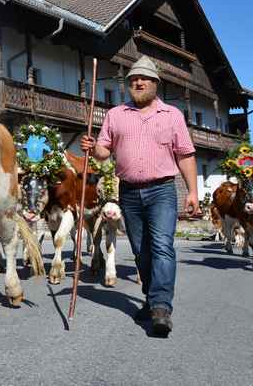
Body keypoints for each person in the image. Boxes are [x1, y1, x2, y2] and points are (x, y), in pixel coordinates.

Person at [81, 55, 198, 337]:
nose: (138, 82)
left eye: (144, 78)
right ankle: (150, 297)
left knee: (161, 247)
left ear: (155, 83)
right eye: (133, 79)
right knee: (140, 252)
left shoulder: (172, 116)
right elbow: (104, 153)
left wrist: (193, 191)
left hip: (162, 190)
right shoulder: (115, 114)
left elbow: (185, 155)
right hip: (130, 192)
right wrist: (92, 146)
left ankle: (161, 307)